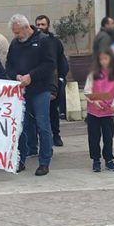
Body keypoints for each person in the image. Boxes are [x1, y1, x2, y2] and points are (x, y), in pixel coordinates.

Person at [7, 14, 57, 176]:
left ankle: (44, 162)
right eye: (14, 33)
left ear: (26, 28)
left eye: (17, 32)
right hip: (21, 90)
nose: (16, 36)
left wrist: (32, 76)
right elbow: (9, 64)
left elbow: (50, 64)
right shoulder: (15, 44)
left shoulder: (43, 40)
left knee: (43, 125)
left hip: (40, 89)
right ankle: (21, 159)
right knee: (22, 125)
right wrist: (16, 76)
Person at [84, 48, 114, 173]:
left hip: (108, 112)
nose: (103, 61)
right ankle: (96, 160)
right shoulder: (93, 74)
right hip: (93, 111)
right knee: (94, 137)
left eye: (106, 58)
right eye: (101, 59)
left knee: (108, 137)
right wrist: (94, 101)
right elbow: (87, 90)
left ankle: (109, 160)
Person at [35, 14, 70, 147]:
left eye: (42, 24)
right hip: (37, 81)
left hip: (53, 82)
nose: (40, 27)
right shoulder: (33, 41)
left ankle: (56, 135)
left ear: (48, 26)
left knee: (53, 110)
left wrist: (61, 78)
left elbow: (61, 60)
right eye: (38, 24)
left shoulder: (55, 42)